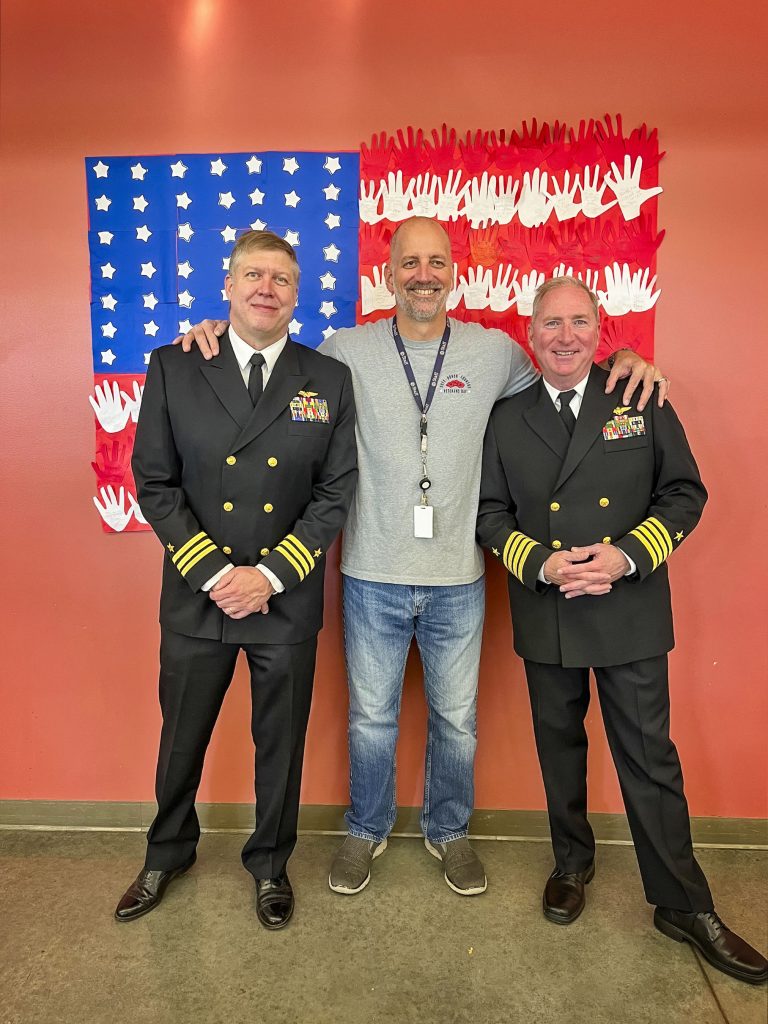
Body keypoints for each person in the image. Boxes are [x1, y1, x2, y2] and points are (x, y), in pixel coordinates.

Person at [179, 216, 664, 898]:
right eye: (410, 262)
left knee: (456, 718)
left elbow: (568, 370)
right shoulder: (343, 350)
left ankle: (449, 831)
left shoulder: (496, 354)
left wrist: (624, 361)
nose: (424, 274)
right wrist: (207, 337)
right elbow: (268, 363)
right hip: (370, 574)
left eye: (437, 261)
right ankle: (365, 829)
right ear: (388, 276)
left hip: (459, 579)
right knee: (371, 717)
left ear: (455, 273)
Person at [476, 275, 767, 984]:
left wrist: (628, 555)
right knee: (560, 747)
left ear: (599, 328)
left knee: (649, 759)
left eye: (579, 322)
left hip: (628, 607)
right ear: (531, 332)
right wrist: (542, 565)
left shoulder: (638, 397)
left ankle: (682, 903)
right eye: (551, 324)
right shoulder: (506, 416)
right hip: (548, 607)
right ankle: (571, 864)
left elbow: (684, 493)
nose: (565, 336)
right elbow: (489, 514)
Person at [114, 231, 357, 930]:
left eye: (281, 278)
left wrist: (271, 576)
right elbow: (154, 484)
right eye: (253, 274)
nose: (266, 289)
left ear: (296, 295)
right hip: (200, 593)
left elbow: (335, 492)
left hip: (284, 598)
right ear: (227, 286)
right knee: (181, 736)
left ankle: (271, 865)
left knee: (280, 743)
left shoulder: (327, 379)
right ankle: (166, 853)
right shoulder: (176, 364)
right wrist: (220, 573)